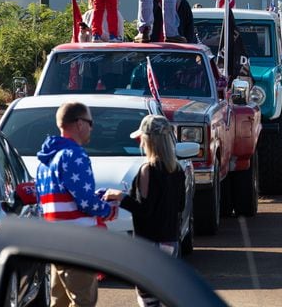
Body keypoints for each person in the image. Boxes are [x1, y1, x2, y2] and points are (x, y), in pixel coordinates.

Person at [36, 102, 118, 307]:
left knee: (59, 302)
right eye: (90, 122)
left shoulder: (45, 161)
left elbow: (49, 201)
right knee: (84, 301)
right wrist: (109, 210)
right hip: (77, 243)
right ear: (79, 123)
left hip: (53, 242)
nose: (92, 127)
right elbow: (85, 203)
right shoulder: (74, 155)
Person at [104, 115, 186, 307]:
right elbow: (180, 206)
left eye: (141, 138)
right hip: (171, 242)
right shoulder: (178, 171)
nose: (139, 141)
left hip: (148, 244)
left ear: (149, 141)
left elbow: (145, 210)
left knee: (148, 299)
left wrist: (121, 197)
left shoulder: (147, 170)